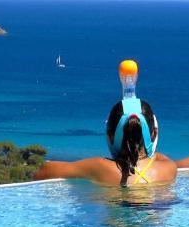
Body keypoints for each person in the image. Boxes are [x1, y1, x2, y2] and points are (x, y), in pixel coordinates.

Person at [34, 60, 177, 186]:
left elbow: (43, 171)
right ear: (154, 135)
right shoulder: (169, 169)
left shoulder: (99, 167)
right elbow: (157, 156)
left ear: (109, 136)